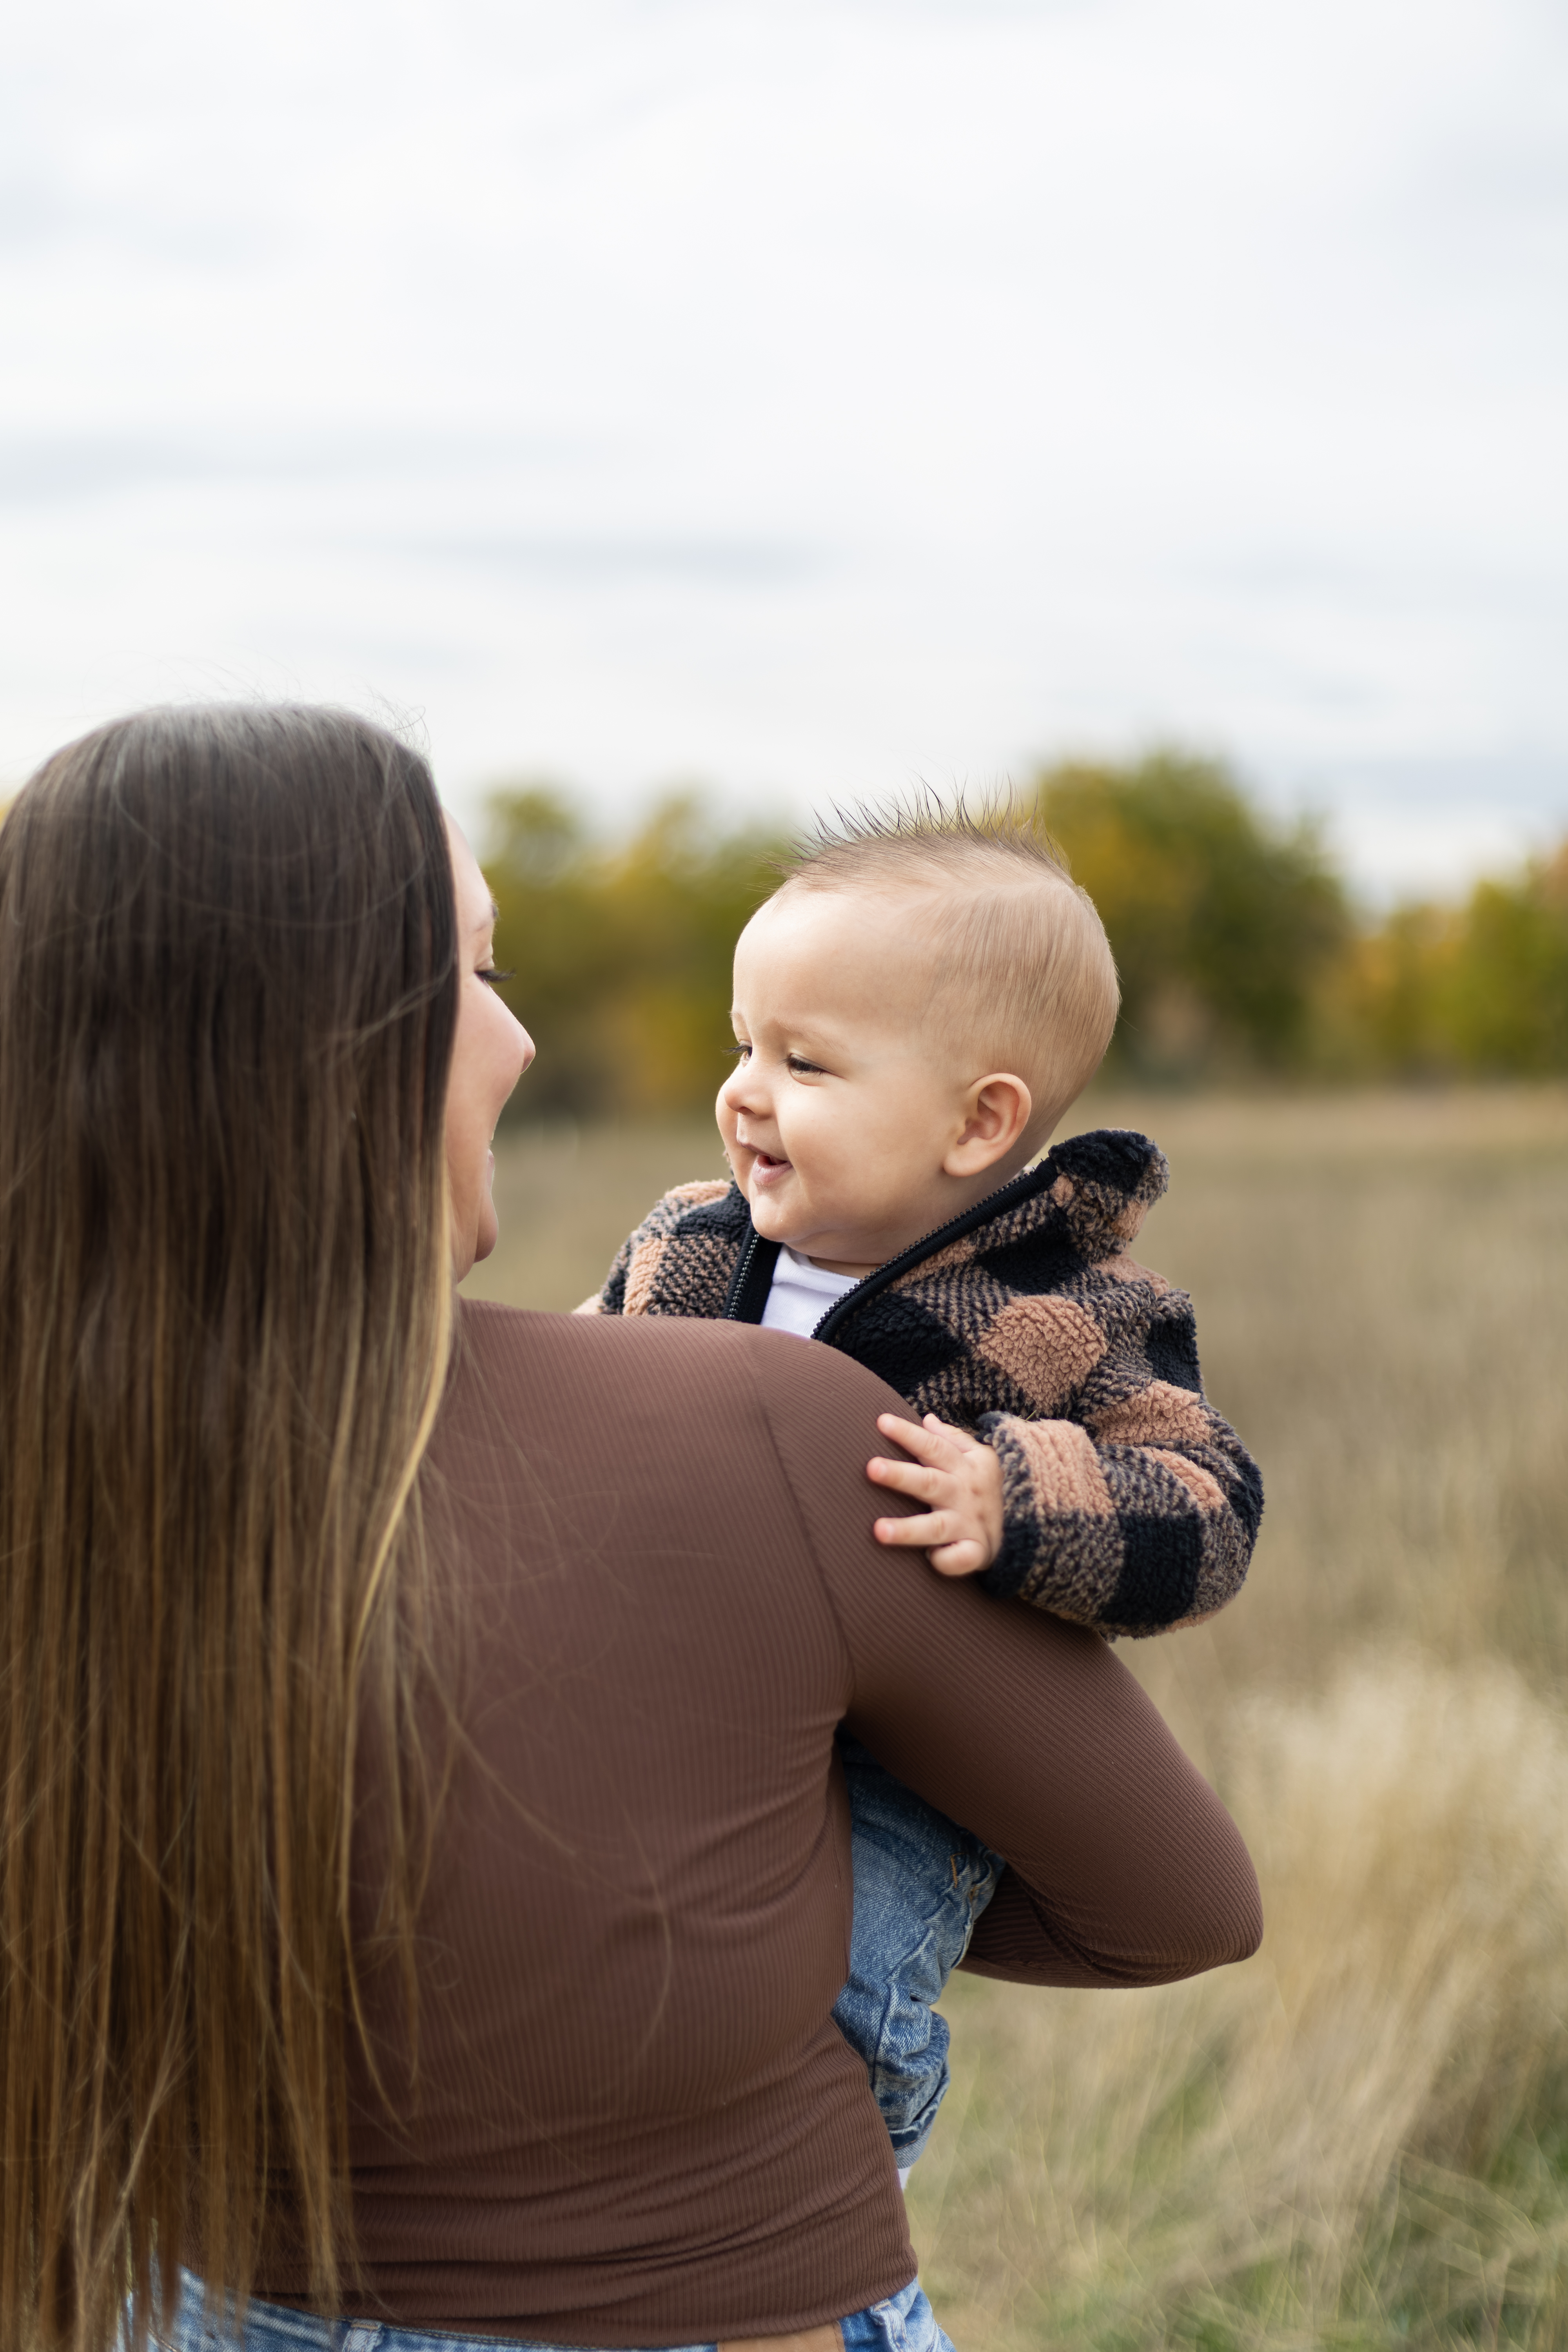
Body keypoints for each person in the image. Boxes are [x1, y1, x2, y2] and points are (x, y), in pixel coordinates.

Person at [0, 706, 1261, 2352]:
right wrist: (753, 1896)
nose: (518, 1044)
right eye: (478, 975)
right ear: (345, 1045)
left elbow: (1193, 1492)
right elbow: (1177, 1903)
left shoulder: (67, 1476)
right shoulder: (754, 1421)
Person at [583, 809, 1263, 2179]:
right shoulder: (689, 1252)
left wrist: (1019, 1496)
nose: (746, 1093)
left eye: (806, 1061)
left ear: (980, 1121)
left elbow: (1209, 1508)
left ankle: (824, 2203)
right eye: (743, 1044)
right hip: (680, 1723)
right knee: (625, 1978)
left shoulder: (1074, 1314)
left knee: (841, 1979)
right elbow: (574, 1405)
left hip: (899, 1767)